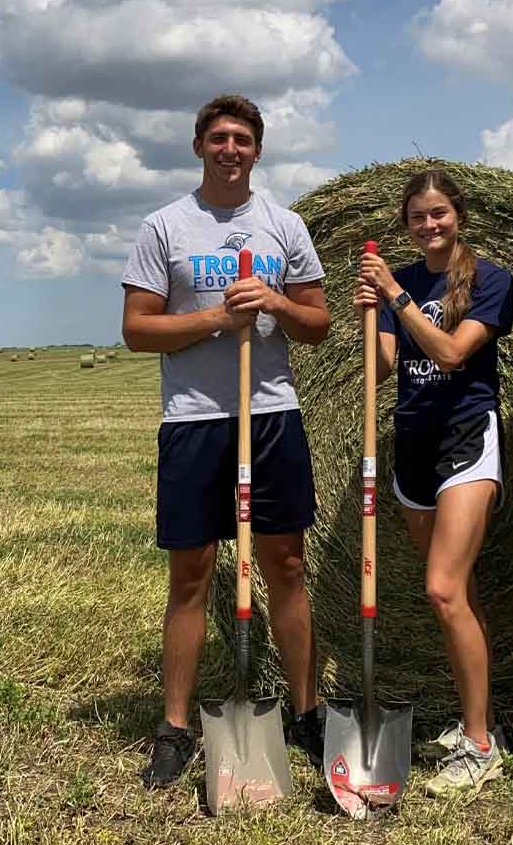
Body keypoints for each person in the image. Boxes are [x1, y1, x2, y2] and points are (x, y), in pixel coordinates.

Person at [121, 94, 331, 789]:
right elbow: (137, 329)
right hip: (193, 419)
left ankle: (304, 711)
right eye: (218, 137)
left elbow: (318, 324)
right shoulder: (165, 227)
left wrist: (273, 303)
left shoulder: (284, 225)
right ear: (199, 147)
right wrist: (216, 315)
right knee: (190, 576)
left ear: (257, 150)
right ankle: (175, 727)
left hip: (269, 414)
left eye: (242, 138)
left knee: (288, 567)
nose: (230, 148)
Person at [353, 168, 513, 796]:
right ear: (407, 223)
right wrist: (369, 320)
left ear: (459, 215)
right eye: (418, 216)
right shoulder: (408, 280)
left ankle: (479, 746)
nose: (430, 225)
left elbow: (451, 354)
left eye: (440, 213)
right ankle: (482, 723)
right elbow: (388, 365)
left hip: (466, 441)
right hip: (412, 447)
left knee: (443, 591)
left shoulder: (489, 279)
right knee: (460, 597)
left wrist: (392, 296)